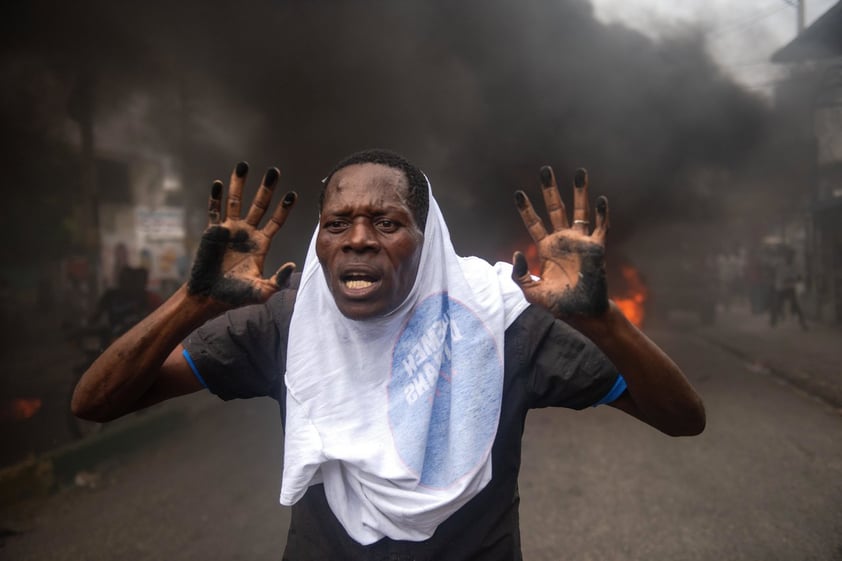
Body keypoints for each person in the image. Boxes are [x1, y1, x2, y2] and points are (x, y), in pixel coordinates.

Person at [72, 149, 705, 560]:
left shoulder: (502, 324)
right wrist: (193, 301)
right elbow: (97, 401)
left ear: (428, 243)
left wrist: (605, 324)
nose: (359, 242)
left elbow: (682, 416)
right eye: (338, 223)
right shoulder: (288, 323)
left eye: (387, 222)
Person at [769, 246, 807, 330]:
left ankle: (803, 322)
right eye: (788, 255)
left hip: (791, 287)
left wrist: (799, 283)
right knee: (776, 303)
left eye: (791, 255)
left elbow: (799, 276)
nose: (790, 257)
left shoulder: (796, 264)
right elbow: (775, 273)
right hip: (780, 287)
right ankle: (773, 319)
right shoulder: (780, 263)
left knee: (797, 305)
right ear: (785, 255)